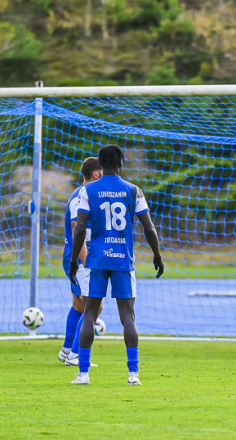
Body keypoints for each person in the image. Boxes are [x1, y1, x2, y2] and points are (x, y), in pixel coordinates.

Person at [68, 144, 164, 386]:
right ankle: (133, 375)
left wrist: (72, 261)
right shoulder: (134, 191)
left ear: (100, 163)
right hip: (123, 259)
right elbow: (149, 227)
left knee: (89, 314)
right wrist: (157, 255)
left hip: (97, 259)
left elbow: (79, 228)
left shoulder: (88, 191)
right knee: (128, 317)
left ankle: (83, 374)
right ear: (121, 163)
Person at [58, 157, 103, 367]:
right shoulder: (80, 197)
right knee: (95, 306)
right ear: (96, 174)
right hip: (79, 257)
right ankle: (76, 355)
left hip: (75, 255)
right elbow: (77, 230)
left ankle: (66, 350)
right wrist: (87, 263)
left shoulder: (84, 194)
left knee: (78, 304)